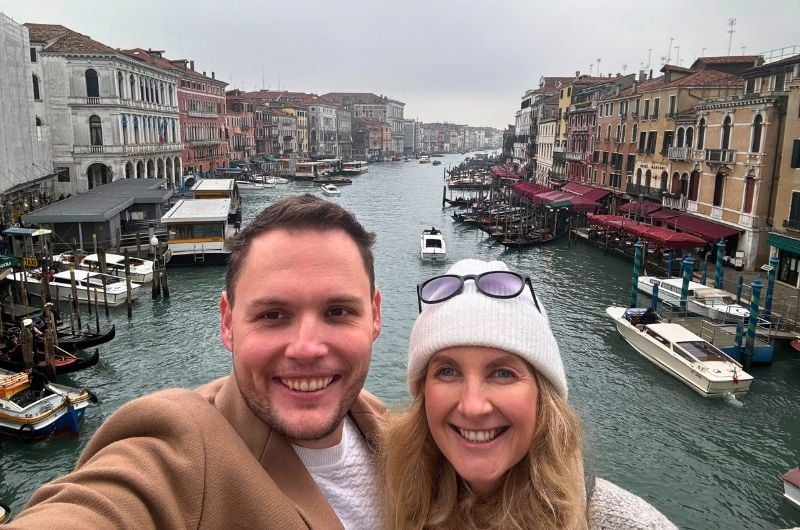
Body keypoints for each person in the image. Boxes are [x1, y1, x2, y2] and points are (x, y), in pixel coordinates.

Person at [9, 194, 385, 529]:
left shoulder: (398, 434)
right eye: (272, 315)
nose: (306, 349)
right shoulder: (180, 447)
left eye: (337, 311)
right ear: (227, 323)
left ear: (374, 316)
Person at [383, 258, 677, 530]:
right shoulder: (392, 498)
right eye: (447, 372)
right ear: (423, 395)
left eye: (503, 373)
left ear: (543, 396)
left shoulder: (627, 523)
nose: (473, 406)